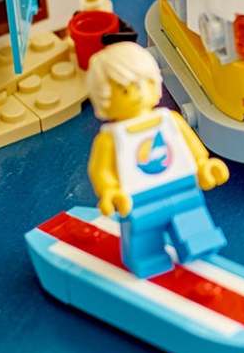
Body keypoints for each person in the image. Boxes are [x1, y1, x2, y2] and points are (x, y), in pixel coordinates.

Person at [84, 41, 229, 279]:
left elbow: (193, 148)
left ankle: (199, 244)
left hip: (182, 187)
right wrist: (109, 191)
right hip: (138, 198)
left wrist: (204, 166)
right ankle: (147, 258)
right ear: (105, 98)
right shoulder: (110, 139)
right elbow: (101, 170)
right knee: (144, 233)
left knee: (193, 219)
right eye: (125, 89)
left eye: (146, 82)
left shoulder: (170, 121)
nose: (139, 92)